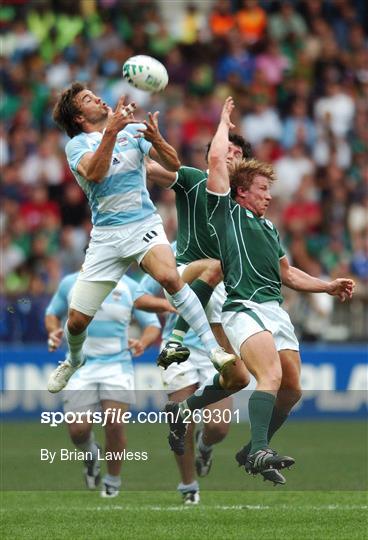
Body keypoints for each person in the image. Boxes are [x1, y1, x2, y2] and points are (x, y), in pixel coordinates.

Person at [164, 97, 355, 485]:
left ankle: (233, 436)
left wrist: (327, 286)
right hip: (242, 307)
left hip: (273, 308)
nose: (269, 195)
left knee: (292, 389)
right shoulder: (226, 212)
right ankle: (259, 450)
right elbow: (218, 163)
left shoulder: (267, 228)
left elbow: (287, 272)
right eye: (263, 188)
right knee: (266, 376)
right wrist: (222, 123)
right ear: (242, 192)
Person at [47, 82, 235, 393]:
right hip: (106, 237)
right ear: (79, 117)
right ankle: (74, 359)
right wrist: (111, 131)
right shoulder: (77, 145)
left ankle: (214, 349)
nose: (96, 97)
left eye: (93, 93)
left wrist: (156, 138)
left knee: (169, 277)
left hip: (142, 224)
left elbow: (173, 164)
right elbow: (95, 173)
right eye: (87, 99)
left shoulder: (131, 131)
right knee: (77, 322)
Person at [145, 133, 251, 395]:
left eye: (238, 154)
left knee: (237, 382)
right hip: (186, 273)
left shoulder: (245, 205)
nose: (231, 156)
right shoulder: (194, 180)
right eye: (226, 151)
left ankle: (201, 426)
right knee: (213, 266)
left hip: (220, 295)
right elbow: (153, 170)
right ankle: (174, 341)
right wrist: (130, 145)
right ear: (211, 157)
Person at [45, 272, 161, 498]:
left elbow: (152, 324)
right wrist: (53, 331)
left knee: (115, 424)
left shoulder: (130, 287)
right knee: (78, 430)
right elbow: (51, 313)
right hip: (79, 366)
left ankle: (112, 481)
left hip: (117, 365)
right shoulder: (70, 282)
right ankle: (91, 452)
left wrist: (143, 342)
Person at [134, 244, 232, 505]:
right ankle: (188, 484)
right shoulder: (169, 251)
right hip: (179, 347)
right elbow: (138, 295)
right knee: (180, 421)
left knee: (219, 427)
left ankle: (205, 446)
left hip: (217, 346)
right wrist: (170, 306)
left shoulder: (228, 246)